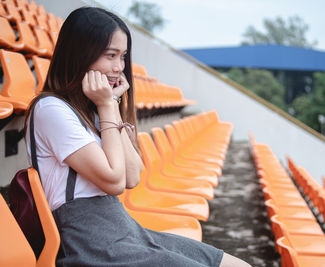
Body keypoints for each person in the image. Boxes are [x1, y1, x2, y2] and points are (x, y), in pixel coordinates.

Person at [24, 7, 251, 267]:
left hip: (123, 228)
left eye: (123, 57)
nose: (119, 68)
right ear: (80, 54)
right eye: (111, 56)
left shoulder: (92, 109)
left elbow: (132, 176)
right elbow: (113, 181)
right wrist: (108, 106)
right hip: (89, 240)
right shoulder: (51, 109)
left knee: (236, 264)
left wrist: (109, 108)